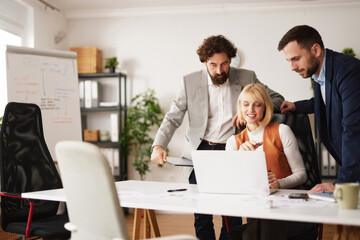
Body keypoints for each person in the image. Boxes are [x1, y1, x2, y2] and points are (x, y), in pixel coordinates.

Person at [151, 35, 284, 240]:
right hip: (201, 151)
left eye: (224, 64)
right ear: (205, 62)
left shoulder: (247, 77)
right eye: (213, 65)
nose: (219, 70)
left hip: (234, 149)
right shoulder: (189, 81)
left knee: (232, 211)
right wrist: (158, 145)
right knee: (201, 210)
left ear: (231, 60)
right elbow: (173, 117)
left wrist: (246, 112)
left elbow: (276, 99)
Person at [226, 83, 318, 240]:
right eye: (246, 104)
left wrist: (279, 184)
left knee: (264, 222)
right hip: (257, 210)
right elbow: (233, 185)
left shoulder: (282, 131)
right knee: (262, 217)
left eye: (257, 105)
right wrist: (240, 159)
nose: (251, 110)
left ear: (265, 107)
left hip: (290, 207)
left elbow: (301, 175)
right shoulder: (233, 143)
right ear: (240, 107)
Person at [278, 25, 360, 193]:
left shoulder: (348, 71)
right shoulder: (319, 73)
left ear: (315, 50)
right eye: (289, 61)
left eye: (296, 59)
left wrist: (342, 184)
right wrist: (297, 106)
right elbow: (328, 100)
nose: (292, 67)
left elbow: (354, 129)